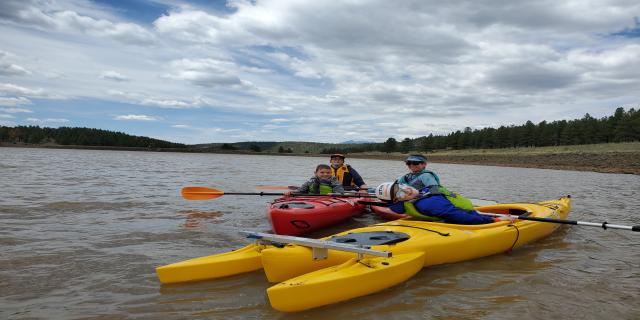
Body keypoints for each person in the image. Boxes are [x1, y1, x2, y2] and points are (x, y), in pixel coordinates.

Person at [374, 181, 514, 224]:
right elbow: (459, 216)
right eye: (399, 193)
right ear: (397, 201)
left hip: (468, 211)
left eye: (402, 186)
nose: (407, 190)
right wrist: (494, 220)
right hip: (467, 215)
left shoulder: (422, 195)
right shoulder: (427, 204)